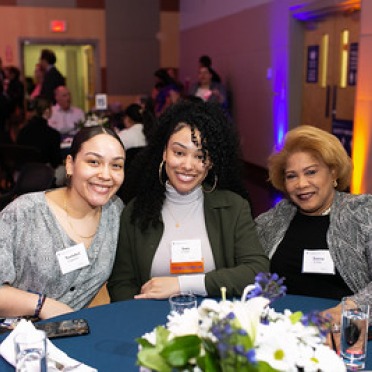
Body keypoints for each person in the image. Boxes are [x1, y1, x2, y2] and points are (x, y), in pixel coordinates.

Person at [108, 100, 269, 301]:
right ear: (164, 152)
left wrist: (181, 285)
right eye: (179, 153)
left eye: (200, 156)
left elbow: (257, 272)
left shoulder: (233, 208)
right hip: (151, 325)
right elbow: (121, 283)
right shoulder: (136, 211)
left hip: (216, 323)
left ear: (211, 162)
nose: (188, 165)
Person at [0, 125, 125, 320]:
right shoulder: (25, 213)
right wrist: (41, 305)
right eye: (94, 162)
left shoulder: (115, 212)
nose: (106, 175)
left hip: (73, 338)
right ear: (70, 164)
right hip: (14, 339)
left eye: (116, 165)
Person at [254, 125, 372, 330]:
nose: (301, 184)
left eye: (311, 172)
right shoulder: (272, 220)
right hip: (281, 334)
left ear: (333, 172)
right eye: (292, 176)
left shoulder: (362, 213)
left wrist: (347, 311)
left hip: (343, 335)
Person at [17, 97, 62, 169]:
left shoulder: (23, 131)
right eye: (51, 108)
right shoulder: (53, 135)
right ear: (47, 111)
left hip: (24, 174)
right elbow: (56, 162)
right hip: (44, 174)